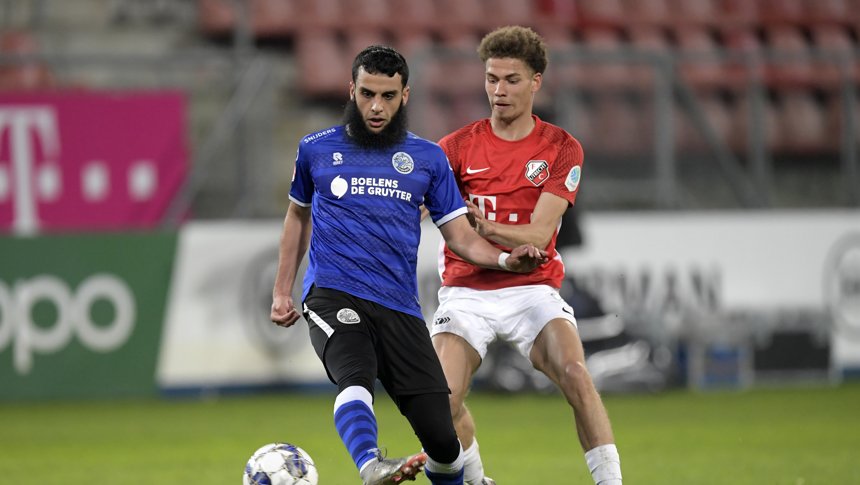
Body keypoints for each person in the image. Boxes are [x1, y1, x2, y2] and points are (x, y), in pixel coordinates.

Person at [270, 45, 549, 485]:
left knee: (443, 439)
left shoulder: (428, 159)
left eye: (387, 95)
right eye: (366, 94)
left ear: (405, 96)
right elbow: (298, 215)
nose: (375, 106)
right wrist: (283, 291)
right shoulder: (316, 150)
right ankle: (370, 465)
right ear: (351, 91)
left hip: (398, 307)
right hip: (332, 292)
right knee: (354, 373)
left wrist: (503, 260)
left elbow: (460, 237)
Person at [429, 26, 623, 485]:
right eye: (492, 78)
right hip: (467, 290)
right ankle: (476, 481)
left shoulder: (561, 148)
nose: (499, 90)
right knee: (441, 401)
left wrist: (483, 224)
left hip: (532, 290)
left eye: (511, 80)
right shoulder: (453, 149)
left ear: (536, 81)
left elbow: (539, 231)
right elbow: (425, 213)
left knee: (576, 373)